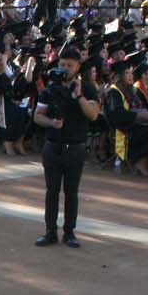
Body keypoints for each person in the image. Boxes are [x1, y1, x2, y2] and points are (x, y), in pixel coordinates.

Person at [33, 42, 100, 246]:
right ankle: (50, 231)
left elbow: (93, 114)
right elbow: (37, 115)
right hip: (53, 146)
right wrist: (51, 123)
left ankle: (69, 232)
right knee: (51, 191)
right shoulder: (50, 89)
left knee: (71, 192)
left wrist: (79, 96)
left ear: (78, 67)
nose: (65, 69)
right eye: (62, 64)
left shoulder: (87, 88)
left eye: (70, 65)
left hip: (75, 147)